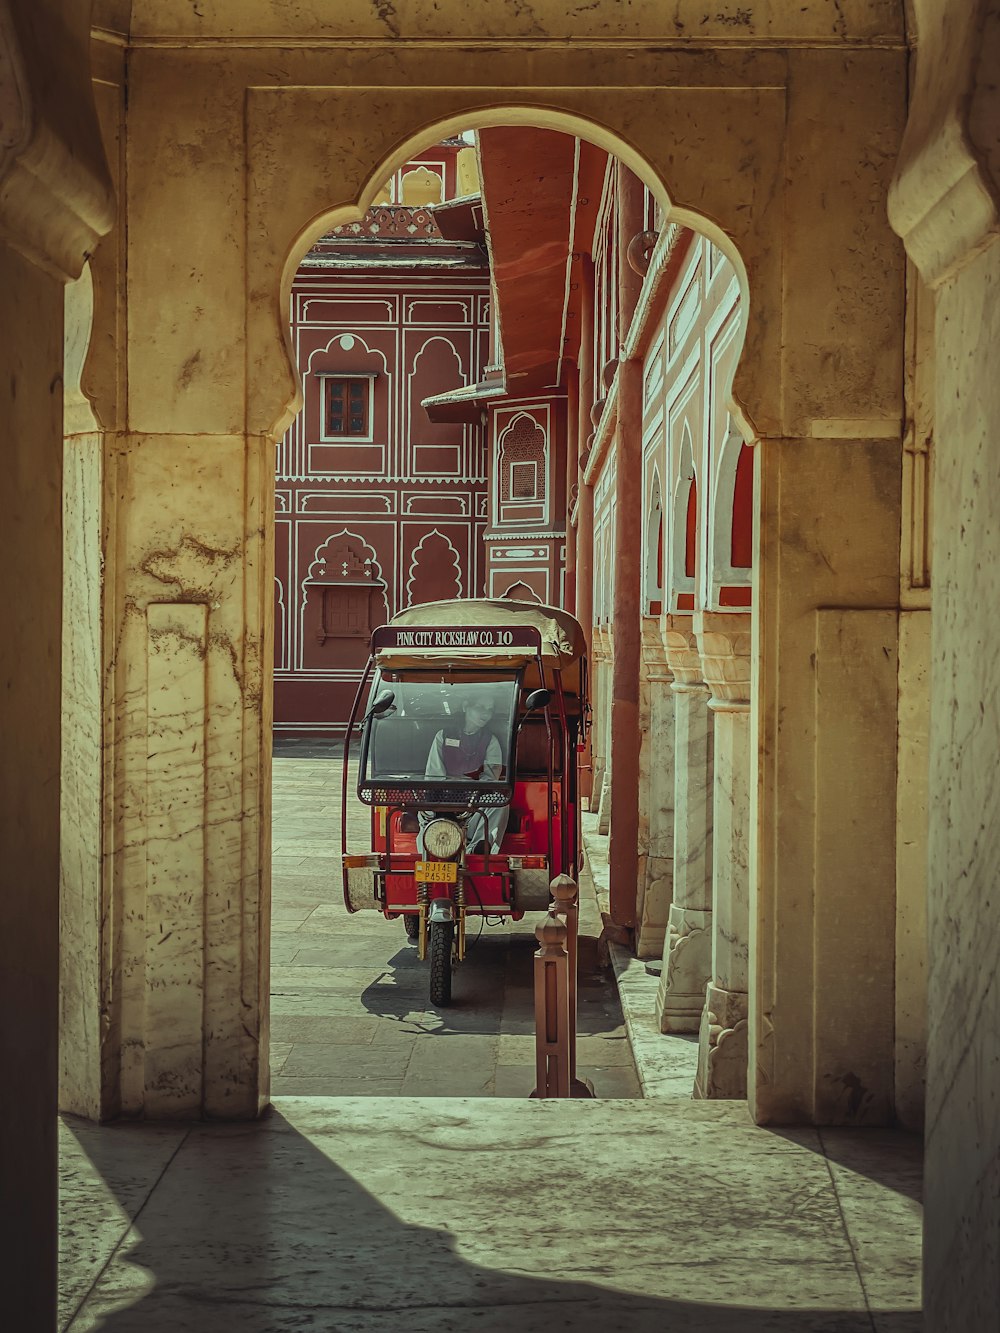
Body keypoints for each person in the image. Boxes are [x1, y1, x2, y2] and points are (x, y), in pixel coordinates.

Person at [420, 690, 509, 853]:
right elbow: (434, 774)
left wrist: (471, 796)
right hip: (444, 800)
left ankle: (478, 849)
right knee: (425, 810)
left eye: (489, 709)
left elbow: (490, 780)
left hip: (473, 805)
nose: (485, 713)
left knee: (500, 803)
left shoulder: (491, 741)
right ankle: (429, 848)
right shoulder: (443, 736)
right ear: (465, 706)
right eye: (480, 707)